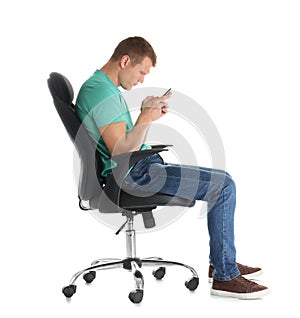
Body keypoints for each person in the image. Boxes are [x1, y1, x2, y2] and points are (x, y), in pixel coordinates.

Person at [75, 36, 269, 299]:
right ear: (125, 61)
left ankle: (222, 263)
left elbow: (125, 144)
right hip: (134, 176)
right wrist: (146, 117)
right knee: (223, 185)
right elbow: (121, 151)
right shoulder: (100, 92)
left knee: (223, 181)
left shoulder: (103, 89)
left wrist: (145, 112)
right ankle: (224, 276)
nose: (141, 80)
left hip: (137, 168)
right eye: (141, 71)